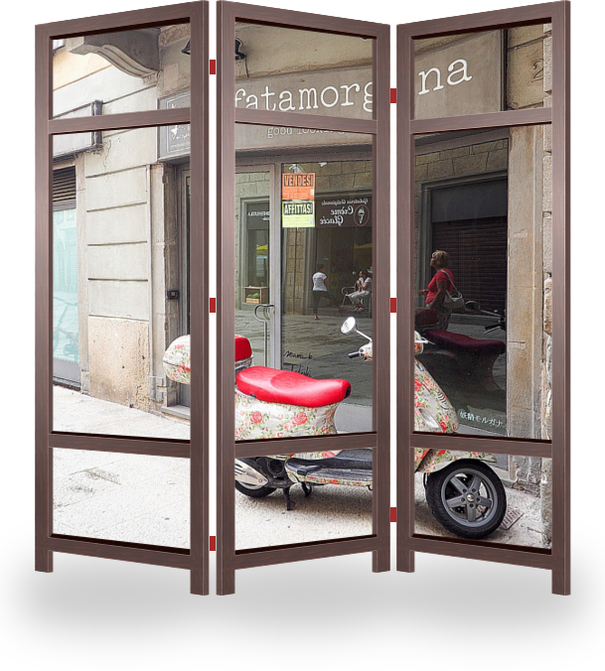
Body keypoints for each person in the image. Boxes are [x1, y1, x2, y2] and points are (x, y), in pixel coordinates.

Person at [419, 250, 454, 329]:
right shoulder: (446, 272)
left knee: (435, 328)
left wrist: (432, 307)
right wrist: (428, 291)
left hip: (438, 306)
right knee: (441, 328)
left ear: (439, 261)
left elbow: (441, 291)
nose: (431, 259)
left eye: (433, 258)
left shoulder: (441, 274)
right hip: (441, 305)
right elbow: (442, 289)